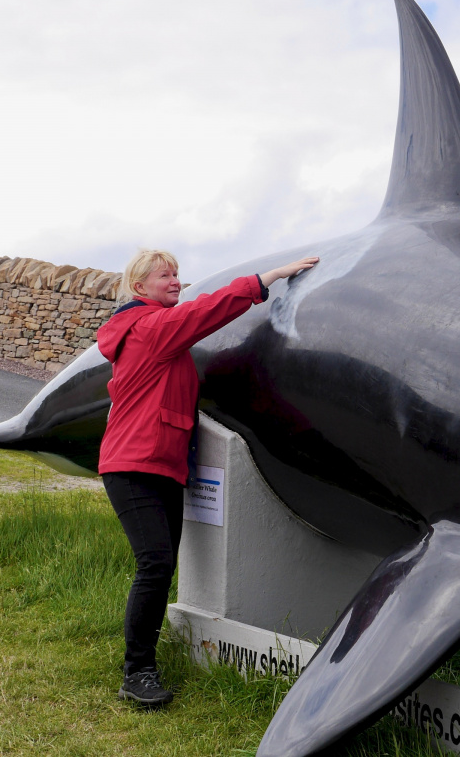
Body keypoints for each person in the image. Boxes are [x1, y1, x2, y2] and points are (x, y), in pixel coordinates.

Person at [96, 248, 319, 707]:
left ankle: (143, 664)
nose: (176, 281)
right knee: (155, 564)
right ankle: (136, 673)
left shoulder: (153, 331)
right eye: (165, 276)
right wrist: (269, 278)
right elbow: (205, 311)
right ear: (140, 287)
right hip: (134, 465)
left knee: (160, 566)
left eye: (177, 273)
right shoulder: (150, 328)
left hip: (163, 464)